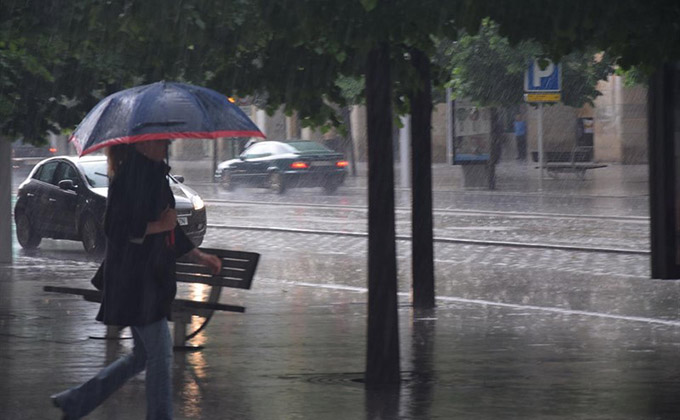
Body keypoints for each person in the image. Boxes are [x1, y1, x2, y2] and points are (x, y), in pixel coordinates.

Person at [51, 140, 221, 420]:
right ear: (144, 143)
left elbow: (171, 228)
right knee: (161, 355)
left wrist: (199, 256)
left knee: (144, 356)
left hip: (149, 279)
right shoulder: (128, 177)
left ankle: (77, 400)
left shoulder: (155, 175)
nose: (168, 143)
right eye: (162, 139)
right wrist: (159, 226)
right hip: (136, 281)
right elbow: (115, 229)